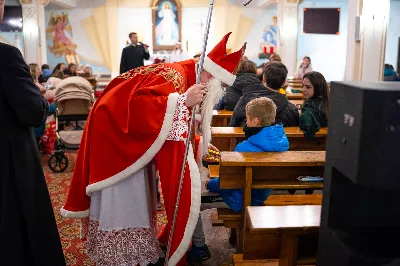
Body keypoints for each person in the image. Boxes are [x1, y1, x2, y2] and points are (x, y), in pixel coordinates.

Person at [61, 32, 245, 266]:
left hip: (125, 133)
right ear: (210, 78)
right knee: (125, 192)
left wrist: (197, 142)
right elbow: (140, 108)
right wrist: (181, 102)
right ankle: (122, 254)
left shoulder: (184, 77)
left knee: (138, 190)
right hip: (117, 134)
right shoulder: (176, 76)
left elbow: (172, 126)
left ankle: (133, 250)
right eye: (216, 89)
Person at [0, 1, 65, 264]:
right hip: (8, 160)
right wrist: (42, 98)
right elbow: (31, 112)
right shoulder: (6, 55)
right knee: (17, 228)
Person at [190, 97, 289, 263]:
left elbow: (227, 184)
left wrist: (210, 183)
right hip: (262, 194)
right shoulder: (282, 142)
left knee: (192, 203)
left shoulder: (244, 149)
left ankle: (199, 247)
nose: (246, 122)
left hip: (241, 200)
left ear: (255, 121)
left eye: (248, 119)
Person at [230, 61, 299, 127]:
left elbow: (233, 125)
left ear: (264, 78)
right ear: (284, 82)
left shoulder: (246, 100)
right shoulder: (292, 109)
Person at [299, 71, 329, 140]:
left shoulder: (309, 107)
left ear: (318, 88)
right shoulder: (329, 103)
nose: (303, 89)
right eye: (303, 85)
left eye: (308, 87)